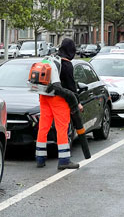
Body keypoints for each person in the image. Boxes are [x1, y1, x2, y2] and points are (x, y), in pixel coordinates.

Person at [36, 38, 83, 170]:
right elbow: (71, 88)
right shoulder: (66, 65)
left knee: (43, 127)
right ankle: (64, 160)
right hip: (58, 99)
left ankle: (40, 158)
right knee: (62, 128)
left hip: (44, 96)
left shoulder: (52, 60)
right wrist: (77, 103)